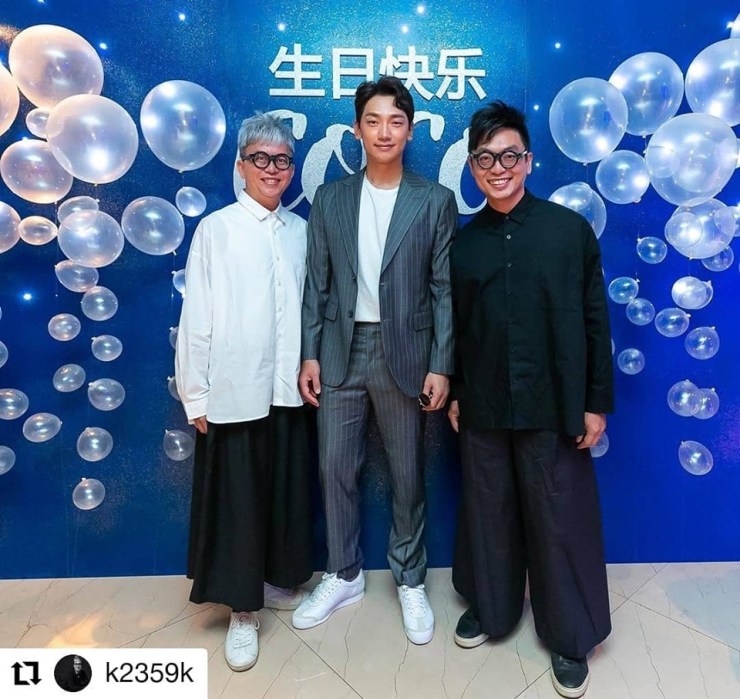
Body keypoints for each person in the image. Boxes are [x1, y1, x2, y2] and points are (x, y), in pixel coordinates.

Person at [448, 101, 613, 698]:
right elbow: (455, 328)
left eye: (509, 156)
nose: (499, 168)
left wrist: (595, 402)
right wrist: (457, 391)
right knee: (487, 510)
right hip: (484, 401)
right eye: (486, 158)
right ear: (472, 166)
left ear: (528, 160)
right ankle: (492, 608)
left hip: (555, 401)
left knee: (558, 515)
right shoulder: (464, 245)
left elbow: (595, 319)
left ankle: (570, 635)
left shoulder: (568, 232)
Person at [293, 76, 457, 645]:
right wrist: (309, 353)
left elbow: (443, 290)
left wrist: (441, 363)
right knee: (334, 468)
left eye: (395, 121)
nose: (384, 131)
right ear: (357, 129)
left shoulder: (434, 200)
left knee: (407, 472)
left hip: (405, 353)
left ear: (409, 131)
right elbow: (316, 285)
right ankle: (344, 574)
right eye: (373, 120)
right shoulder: (331, 198)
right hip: (340, 350)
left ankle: (410, 578)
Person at [175, 112, 312, 672]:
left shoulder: (301, 231)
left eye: (282, 160)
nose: (272, 169)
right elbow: (198, 312)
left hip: (288, 388)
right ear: (241, 165)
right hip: (234, 388)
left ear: (291, 168)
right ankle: (242, 610)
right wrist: (196, 393)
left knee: (283, 489)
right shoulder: (218, 229)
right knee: (237, 500)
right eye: (260, 159)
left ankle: (276, 578)